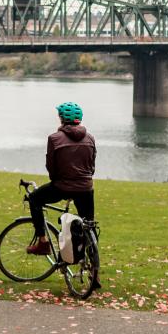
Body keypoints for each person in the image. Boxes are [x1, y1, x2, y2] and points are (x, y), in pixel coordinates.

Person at [26, 101, 96, 256]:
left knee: (34, 199)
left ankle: (43, 242)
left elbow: (51, 167)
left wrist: (58, 181)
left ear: (62, 119)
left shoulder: (54, 138)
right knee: (89, 225)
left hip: (62, 186)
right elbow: (92, 167)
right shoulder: (90, 138)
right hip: (86, 188)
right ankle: (94, 268)